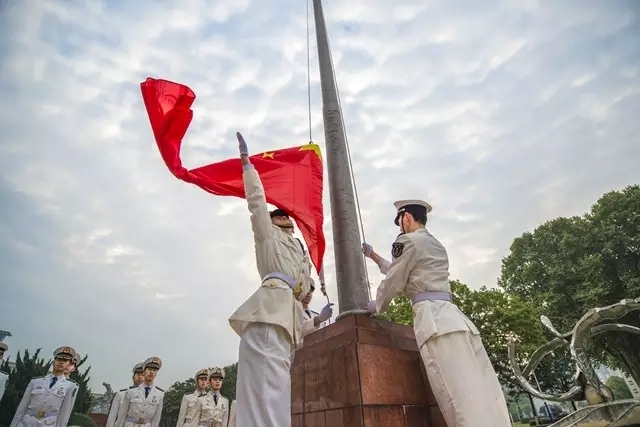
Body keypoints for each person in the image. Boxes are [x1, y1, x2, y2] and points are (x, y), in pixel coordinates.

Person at [362, 199, 511, 427]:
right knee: (483, 392)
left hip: (434, 323)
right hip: (455, 321)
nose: (400, 226)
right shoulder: (435, 244)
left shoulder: (406, 241)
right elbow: (409, 272)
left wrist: (378, 304)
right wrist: (374, 256)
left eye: (399, 221)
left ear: (406, 217)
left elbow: (395, 278)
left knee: (458, 399)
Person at [228, 132, 333, 427]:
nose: (286, 217)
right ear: (274, 221)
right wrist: (248, 165)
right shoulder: (268, 235)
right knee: (266, 396)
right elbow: (256, 204)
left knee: (275, 396)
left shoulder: (298, 247)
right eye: (280, 215)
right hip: (268, 317)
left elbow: (301, 298)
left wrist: (317, 318)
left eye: (287, 215)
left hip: (286, 319)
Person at [10, 346, 78, 427]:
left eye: (65, 360)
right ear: (53, 362)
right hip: (26, 423)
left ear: (68, 364)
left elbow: (64, 414)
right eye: (59, 359)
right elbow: (22, 407)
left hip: (48, 424)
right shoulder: (36, 382)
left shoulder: (70, 387)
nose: (61, 362)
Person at [115, 357, 164, 427]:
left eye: (154, 370)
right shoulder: (131, 391)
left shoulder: (160, 394)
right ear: (144, 372)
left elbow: (156, 418)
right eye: (149, 369)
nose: (152, 372)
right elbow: (122, 415)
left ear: (156, 373)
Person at [106, 362, 145, 427]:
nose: (140, 377)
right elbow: (112, 417)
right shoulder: (121, 394)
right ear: (133, 377)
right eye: (138, 374)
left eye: (143, 375)